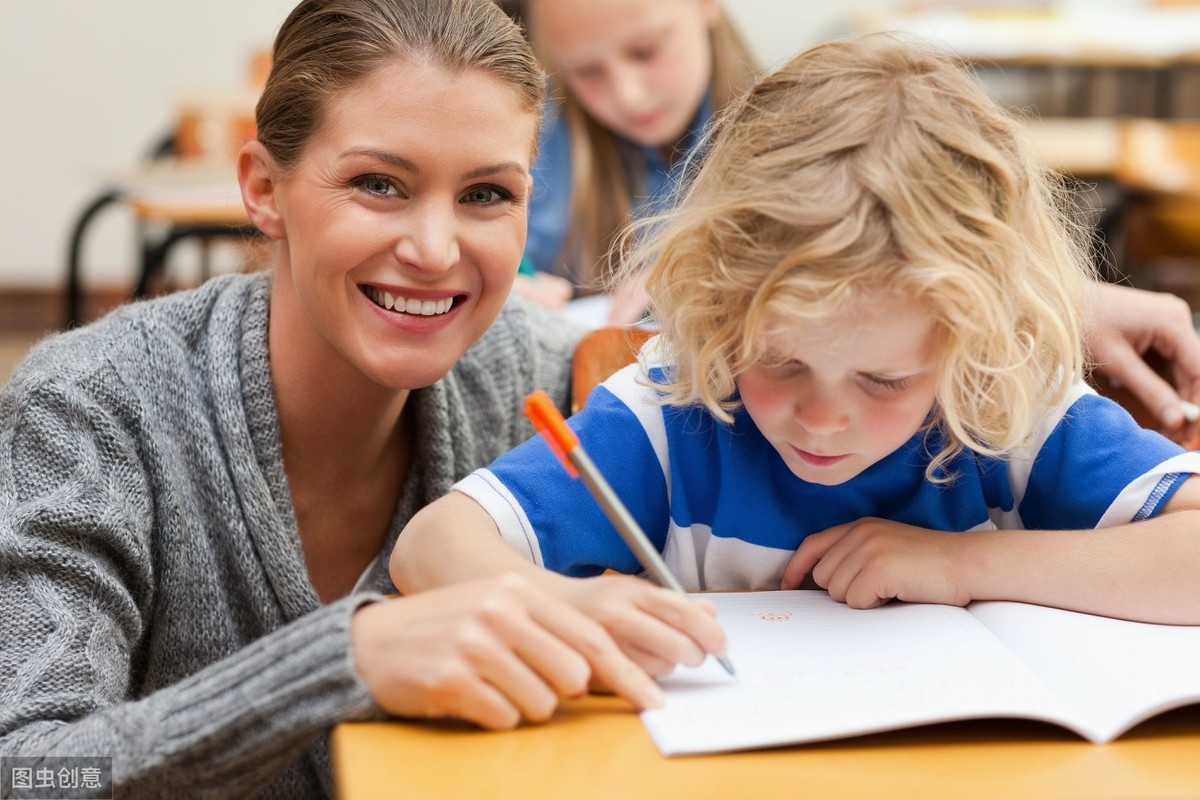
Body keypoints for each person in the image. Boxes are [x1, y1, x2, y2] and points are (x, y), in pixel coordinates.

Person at [0, 1, 730, 796]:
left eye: (486, 195)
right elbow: (28, 767)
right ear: (264, 189)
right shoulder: (92, 408)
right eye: (378, 184)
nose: (434, 250)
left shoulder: (549, 377)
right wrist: (350, 659)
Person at [391, 35, 1200, 642]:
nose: (819, 418)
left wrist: (962, 567)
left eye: (883, 380)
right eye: (779, 360)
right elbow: (433, 546)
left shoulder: (999, 400)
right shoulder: (677, 410)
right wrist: (574, 608)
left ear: (970, 340)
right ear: (720, 308)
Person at [508, 0, 759, 317]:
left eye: (645, 51)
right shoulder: (530, 134)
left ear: (705, 6)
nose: (629, 96)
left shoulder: (794, 132)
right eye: (587, 71)